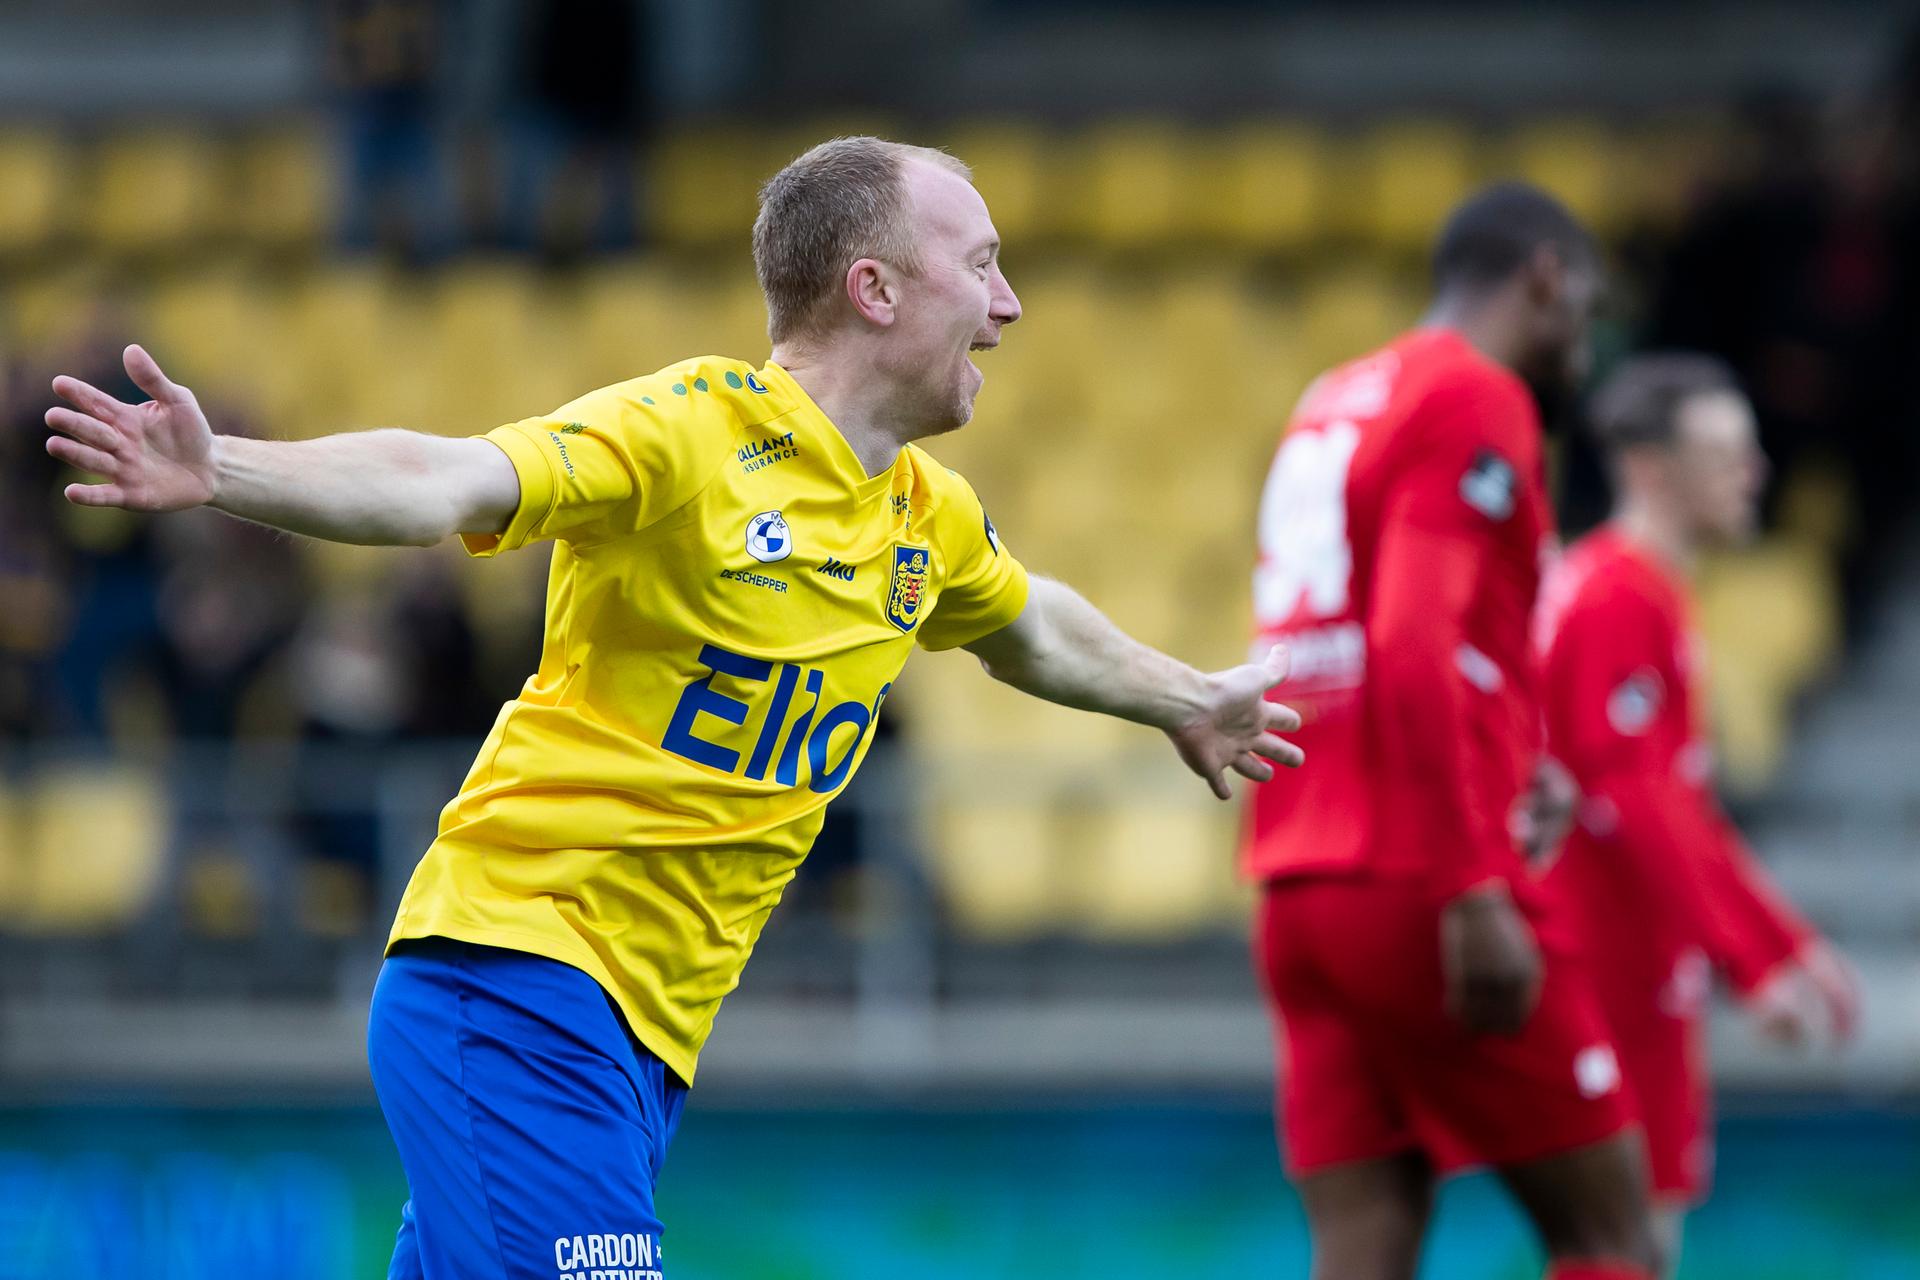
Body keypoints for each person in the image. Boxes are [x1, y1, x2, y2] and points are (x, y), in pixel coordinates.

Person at [42, 136, 1304, 1280]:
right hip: (518, 974)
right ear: (875, 288)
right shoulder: (691, 432)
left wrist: (1186, 698)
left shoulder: (925, 516)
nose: (1008, 302)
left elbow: (1032, 625)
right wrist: (227, 472)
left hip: (640, 1040)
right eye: (981, 264)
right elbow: (447, 478)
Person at [1243, 182, 1661, 1280]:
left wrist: (1527, 756)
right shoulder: (1479, 395)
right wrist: (1474, 885)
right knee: (1617, 1237)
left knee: (1363, 1249)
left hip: (1300, 884)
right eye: (1590, 305)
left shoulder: (1335, 395)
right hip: (1422, 876)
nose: (1591, 337)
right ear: (1546, 280)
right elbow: (1412, 643)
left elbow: (1345, 636)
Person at [1535, 353, 1859, 1277]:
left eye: (1749, 452)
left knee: (1633, 1241)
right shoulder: (1616, 598)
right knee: (1620, 1242)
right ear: (1646, 468)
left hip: (1632, 958)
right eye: (1724, 452)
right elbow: (1634, 798)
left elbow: (1678, 805)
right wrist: (1751, 964)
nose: (1751, 472)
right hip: (1605, 964)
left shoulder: (1641, 590)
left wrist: (1782, 941)